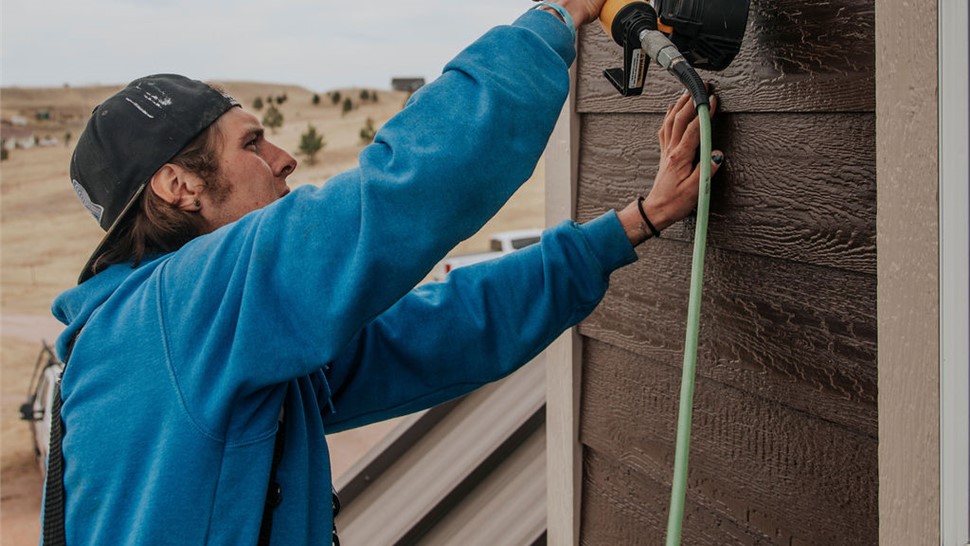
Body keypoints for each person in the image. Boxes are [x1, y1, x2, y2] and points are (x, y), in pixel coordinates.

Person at [47, 1, 723, 544]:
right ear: (179, 186)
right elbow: (406, 188)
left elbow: (440, 331)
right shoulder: (182, 309)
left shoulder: (197, 337)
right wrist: (558, 16)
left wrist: (636, 221)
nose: (283, 158)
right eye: (252, 143)